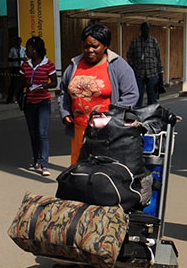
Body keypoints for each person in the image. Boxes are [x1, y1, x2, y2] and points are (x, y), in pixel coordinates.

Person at [58, 23, 139, 165]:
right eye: (86, 46)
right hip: (79, 130)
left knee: (102, 172)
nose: (89, 50)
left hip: (107, 132)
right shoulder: (74, 65)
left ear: (105, 45)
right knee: (79, 171)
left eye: (95, 46)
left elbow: (131, 94)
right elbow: (63, 91)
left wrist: (110, 115)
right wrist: (65, 112)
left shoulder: (118, 65)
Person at [20, 36, 57, 176]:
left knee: (42, 133)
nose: (26, 51)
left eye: (28, 48)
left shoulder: (49, 64)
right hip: (30, 102)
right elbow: (20, 82)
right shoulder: (25, 65)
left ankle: (44, 164)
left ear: (34, 50)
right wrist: (26, 83)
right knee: (33, 133)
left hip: (43, 102)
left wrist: (43, 86)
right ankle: (36, 161)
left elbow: (54, 82)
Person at [127, 22, 164, 107]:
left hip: (152, 73)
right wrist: (133, 66)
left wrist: (160, 73)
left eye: (147, 29)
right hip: (139, 73)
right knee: (138, 96)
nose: (146, 30)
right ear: (141, 30)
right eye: (144, 28)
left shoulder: (153, 41)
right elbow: (129, 54)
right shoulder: (135, 41)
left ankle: (152, 114)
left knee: (152, 97)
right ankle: (137, 114)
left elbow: (158, 57)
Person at [6, 37, 26, 103]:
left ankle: (19, 97)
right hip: (15, 67)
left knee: (21, 83)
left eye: (20, 41)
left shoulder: (23, 49)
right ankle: (10, 98)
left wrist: (22, 59)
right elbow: (9, 58)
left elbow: (26, 58)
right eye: (18, 41)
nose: (19, 43)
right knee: (13, 83)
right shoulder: (12, 49)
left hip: (21, 67)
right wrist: (16, 59)